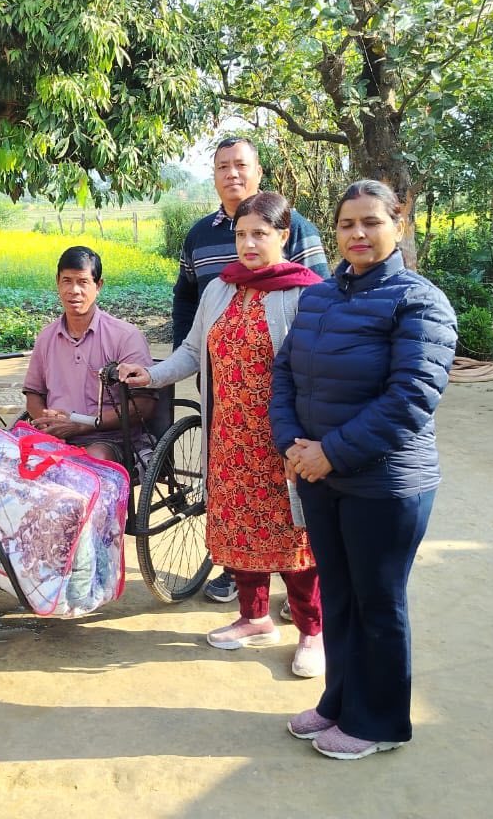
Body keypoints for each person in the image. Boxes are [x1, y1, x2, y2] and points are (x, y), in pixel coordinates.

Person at [272, 179, 457, 760]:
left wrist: (330, 452)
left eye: (372, 222)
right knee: (340, 596)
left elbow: (411, 397)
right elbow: (285, 373)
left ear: (398, 226)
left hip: (385, 482)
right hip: (320, 477)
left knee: (378, 602)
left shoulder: (419, 302)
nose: (358, 233)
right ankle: (339, 703)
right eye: (347, 223)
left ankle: (378, 722)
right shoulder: (320, 297)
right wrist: (291, 445)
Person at [120, 192, 325, 676]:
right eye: (240, 234)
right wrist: (151, 375)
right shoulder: (219, 289)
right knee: (238, 527)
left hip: (283, 441)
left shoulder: (307, 294)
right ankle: (254, 618)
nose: (248, 244)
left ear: (284, 235)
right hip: (230, 436)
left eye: (260, 234)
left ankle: (312, 632)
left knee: (295, 537)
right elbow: (193, 352)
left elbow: (320, 372)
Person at [173, 135, 330, 605]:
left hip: (284, 416)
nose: (232, 174)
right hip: (228, 407)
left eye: (241, 165)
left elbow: (324, 317)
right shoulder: (202, 241)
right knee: (238, 506)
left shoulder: (297, 237)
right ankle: (248, 603)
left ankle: (306, 613)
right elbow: (187, 302)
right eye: (222, 166)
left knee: (291, 511)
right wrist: (187, 359)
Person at [22, 246, 156, 468]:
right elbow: (34, 394)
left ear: (98, 285)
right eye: (67, 281)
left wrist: (83, 425)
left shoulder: (125, 336)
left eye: (83, 282)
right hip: (55, 437)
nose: (74, 290)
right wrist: (46, 419)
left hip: (109, 439)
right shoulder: (46, 337)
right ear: (57, 282)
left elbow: (143, 405)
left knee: (91, 459)